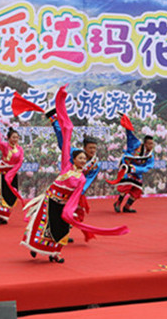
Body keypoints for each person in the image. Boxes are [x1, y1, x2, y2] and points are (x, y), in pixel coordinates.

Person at [21, 86, 128, 263]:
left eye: (94, 149)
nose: (90, 154)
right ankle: (34, 246)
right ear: (81, 152)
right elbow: (64, 141)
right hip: (52, 199)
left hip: (74, 198)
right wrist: (57, 121)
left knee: (65, 224)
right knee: (43, 223)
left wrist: (77, 197)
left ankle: (55, 253)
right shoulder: (68, 163)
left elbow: (87, 181)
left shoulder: (92, 167)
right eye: (88, 150)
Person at [111, 114, 155, 213]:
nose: (151, 146)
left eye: (152, 144)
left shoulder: (150, 155)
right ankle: (117, 203)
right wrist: (125, 120)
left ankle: (127, 207)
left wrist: (135, 169)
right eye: (149, 143)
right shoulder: (136, 144)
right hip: (127, 168)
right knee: (126, 186)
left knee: (137, 191)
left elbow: (148, 167)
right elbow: (130, 134)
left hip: (136, 172)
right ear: (144, 143)